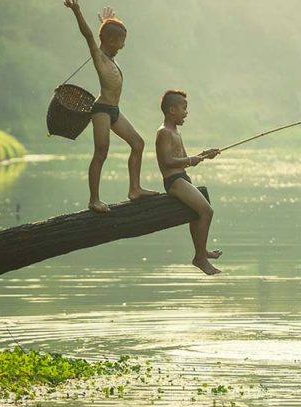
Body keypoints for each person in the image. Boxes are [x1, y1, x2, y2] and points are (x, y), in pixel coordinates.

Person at [64, 1, 157, 213]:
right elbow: (89, 36)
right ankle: (94, 200)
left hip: (114, 111)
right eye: (121, 41)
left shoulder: (110, 57)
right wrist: (77, 11)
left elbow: (104, 35)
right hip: (102, 110)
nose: (123, 46)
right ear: (111, 41)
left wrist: (106, 22)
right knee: (101, 152)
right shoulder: (99, 57)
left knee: (138, 144)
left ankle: (135, 189)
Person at [155, 90, 222, 275]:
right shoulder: (164, 132)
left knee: (196, 213)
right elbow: (167, 161)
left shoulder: (176, 131)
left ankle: (202, 251)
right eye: (184, 108)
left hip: (182, 177)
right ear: (171, 110)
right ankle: (200, 257)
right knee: (206, 211)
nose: (186, 112)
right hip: (173, 181)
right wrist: (192, 159)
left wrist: (204, 155)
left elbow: (184, 158)